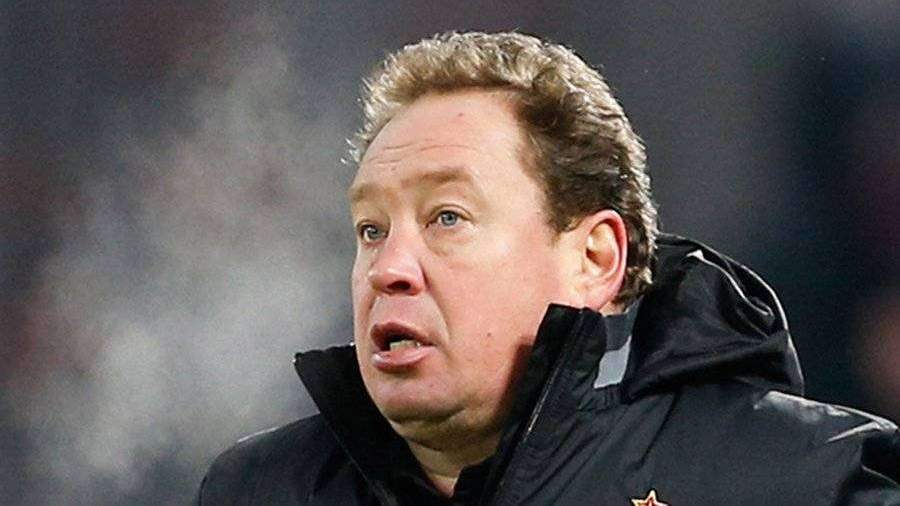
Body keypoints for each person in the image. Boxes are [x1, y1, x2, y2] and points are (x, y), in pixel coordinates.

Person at [196, 31, 900, 505]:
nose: (389, 268)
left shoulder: (809, 481)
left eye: (447, 217)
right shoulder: (259, 490)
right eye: (371, 229)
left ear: (594, 258)